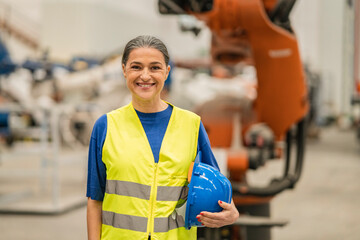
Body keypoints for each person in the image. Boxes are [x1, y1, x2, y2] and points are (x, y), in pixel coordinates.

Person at [86, 35, 239, 240]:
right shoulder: (105, 127)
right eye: (136, 67)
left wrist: (232, 213)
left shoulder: (191, 125)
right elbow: (95, 201)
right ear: (124, 70)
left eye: (155, 68)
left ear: (167, 72)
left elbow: (218, 187)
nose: (145, 76)